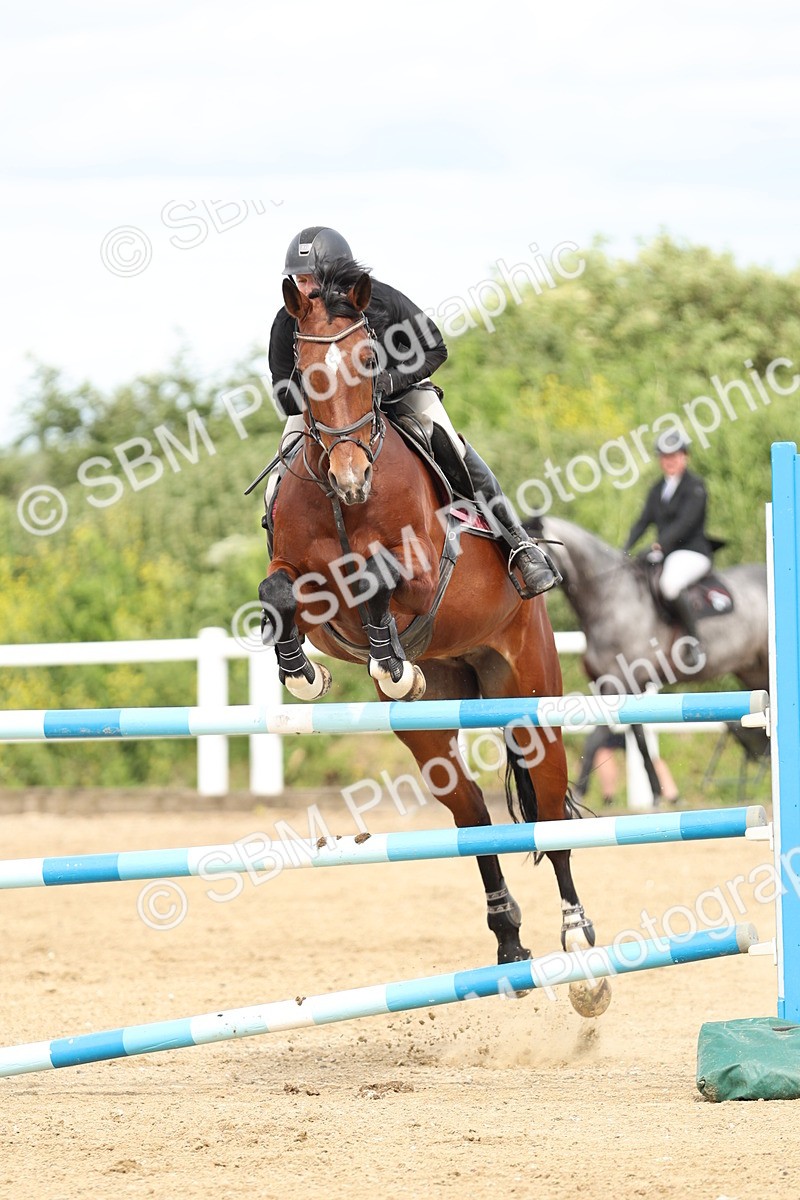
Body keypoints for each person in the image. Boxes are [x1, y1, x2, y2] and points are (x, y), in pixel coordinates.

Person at [265, 225, 561, 598]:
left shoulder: (380, 301)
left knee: (451, 443)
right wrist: (328, 399)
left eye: (308, 279)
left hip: (398, 394)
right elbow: (283, 391)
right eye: (297, 279)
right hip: (327, 414)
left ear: (333, 275)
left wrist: (386, 382)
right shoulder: (288, 320)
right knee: (281, 469)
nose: (302, 287)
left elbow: (435, 348)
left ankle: (518, 545)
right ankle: (282, 556)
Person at [623, 428, 721, 668]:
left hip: (692, 552)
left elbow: (685, 524)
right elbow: (643, 521)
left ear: (685, 457)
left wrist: (657, 546)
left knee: (669, 585)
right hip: (666, 553)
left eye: (675, 456)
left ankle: (694, 640)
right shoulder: (658, 489)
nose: (670, 461)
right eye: (665, 457)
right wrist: (624, 550)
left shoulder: (695, 486)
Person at [574, 725, 680, 808]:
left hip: (622, 711)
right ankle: (605, 799)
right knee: (600, 753)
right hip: (612, 712)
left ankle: (666, 795)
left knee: (647, 754)